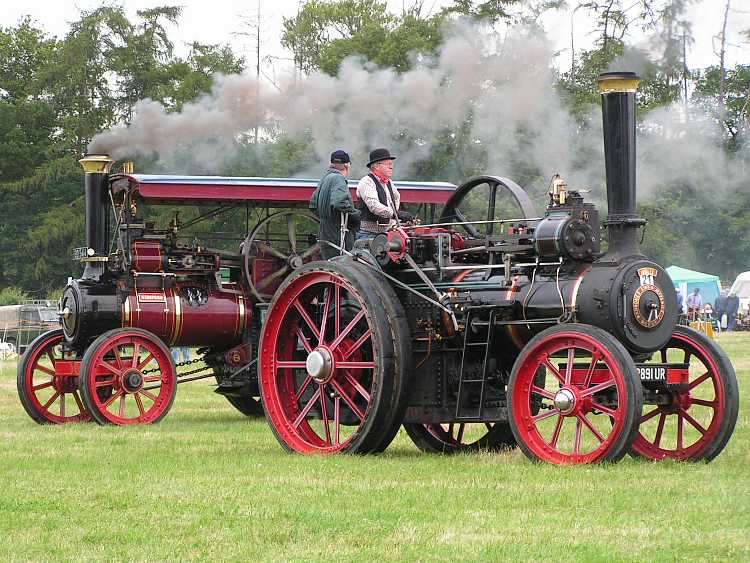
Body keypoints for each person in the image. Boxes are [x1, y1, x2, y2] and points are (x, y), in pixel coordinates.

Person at [310, 150, 361, 260]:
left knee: (331, 268)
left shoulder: (324, 179)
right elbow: (339, 203)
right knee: (343, 269)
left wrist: (327, 216)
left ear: (331, 164)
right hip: (338, 235)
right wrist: (356, 215)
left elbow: (313, 205)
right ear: (347, 165)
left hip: (324, 233)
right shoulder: (338, 178)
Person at [355, 147, 413, 240]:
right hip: (368, 234)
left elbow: (396, 197)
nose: (391, 167)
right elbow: (374, 206)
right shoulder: (366, 182)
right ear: (377, 166)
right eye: (388, 164)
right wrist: (395, 214)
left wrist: (396, 219)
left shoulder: (388, 182)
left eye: (391, 164)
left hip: (386, 232)